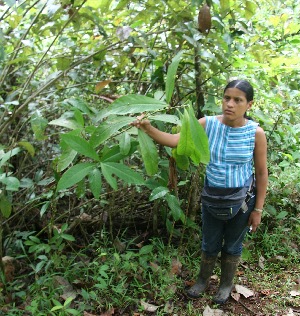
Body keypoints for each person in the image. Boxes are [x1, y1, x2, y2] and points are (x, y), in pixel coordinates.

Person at [131, 79, 268, 304]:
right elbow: (176, 141)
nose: (230, 104)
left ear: (249, 105)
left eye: (237, 100)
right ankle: (202, 281)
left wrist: (258, 209)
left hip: (242, 200)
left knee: (233, 245)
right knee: (209, 242)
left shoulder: (255, 133)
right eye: (226, 98)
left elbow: (262, 173)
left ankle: (225, 285)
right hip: (212, 198)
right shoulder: (207, 124)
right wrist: (148, 127)